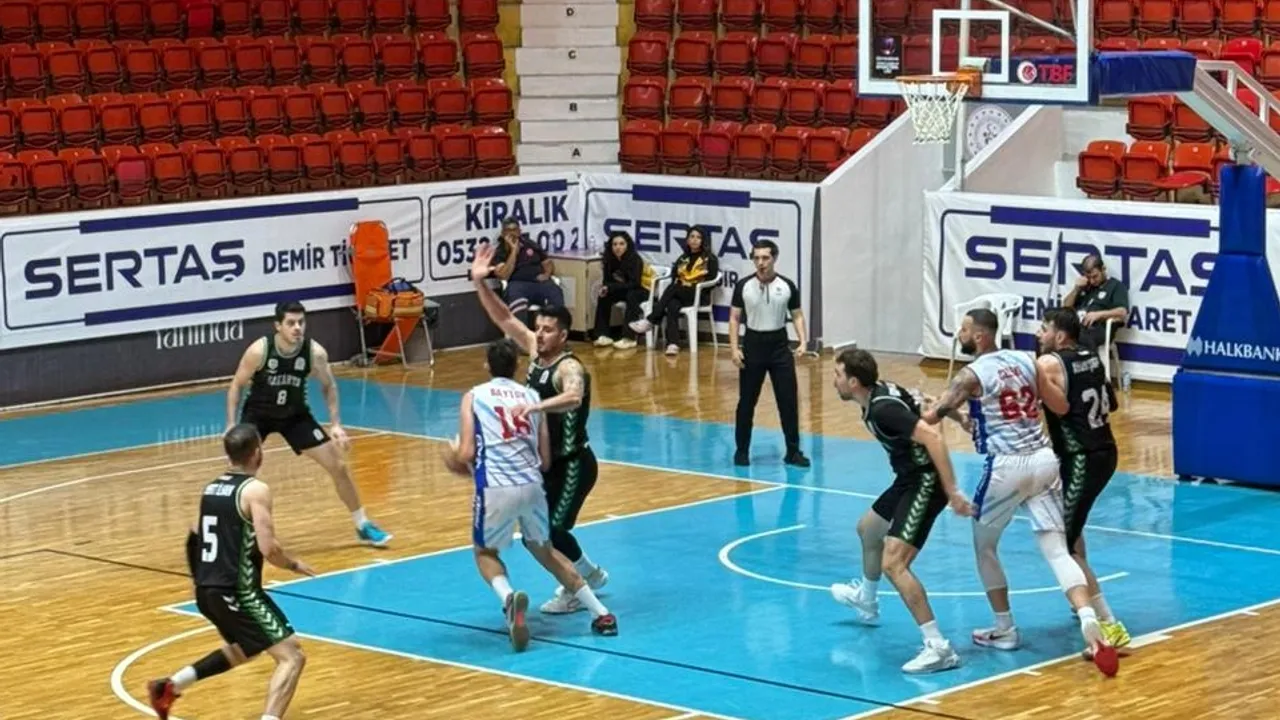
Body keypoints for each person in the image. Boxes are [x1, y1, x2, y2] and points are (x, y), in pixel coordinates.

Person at [923, 308, 1117, 673]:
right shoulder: (1029, 360)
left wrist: (925, 407)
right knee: (1058, 550)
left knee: (985, 547)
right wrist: (978, 417)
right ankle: (1090, 619)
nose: (959, 335)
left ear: (980, 336)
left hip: (1006, 466)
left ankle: (1005, 629)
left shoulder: (971, 374)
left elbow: (933, 415)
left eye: (963, 329)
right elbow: (1060, 405)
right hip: (1044, 460)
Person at [442, 338, 618, 647]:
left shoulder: (474, 396)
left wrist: (452, 457)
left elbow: (467, 452)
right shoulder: (532, 397)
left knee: (485, 552)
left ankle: (509, 598)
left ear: (487, 365)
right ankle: (601, 613)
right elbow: (545, 459)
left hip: (496, 486)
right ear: (517, 366)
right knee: (547, 551)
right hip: (533, 486)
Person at [470, 243, 610, 615]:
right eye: (539, 328)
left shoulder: (569, 367)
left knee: (553, 531)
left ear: (563, 335)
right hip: (545, 464)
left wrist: (535, 405)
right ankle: (591, 575)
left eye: (548, 330)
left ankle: (578, 588)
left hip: (574, 463)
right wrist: (479, 283)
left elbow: (574, 397)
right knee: (541, 533)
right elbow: (504, 319)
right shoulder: (534, 350)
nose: (541, 334)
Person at [147, 424, 314, 720]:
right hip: (238, 592)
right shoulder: (255, 490)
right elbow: (269, 548)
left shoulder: (211, 488)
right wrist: (292, 564)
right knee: (292, 656)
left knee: (246, 647)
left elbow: (193, 536)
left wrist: (202, 580)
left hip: (207, 590)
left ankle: (170, 687)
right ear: (257, 453)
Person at [828, 348, 973, 674]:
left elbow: (932, 437)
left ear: (854, 382)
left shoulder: (884, 410)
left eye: (837, 375)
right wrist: (959, 416)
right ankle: (867, 600)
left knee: (894, 564)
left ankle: (939, 647)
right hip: (908, 478)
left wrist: (953, 492)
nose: (834, 381)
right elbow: (924, 404)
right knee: (868, 529)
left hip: (926, 483)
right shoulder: (884, 390)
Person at [227, 301, 391, 546]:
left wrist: (336, 424)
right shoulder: (259, 351)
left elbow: (329, 386)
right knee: (242, 472)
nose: (297, 328)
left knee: (338, 466)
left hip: (295, 415)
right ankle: (234, 530)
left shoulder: (315, 353)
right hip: (258, 415)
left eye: (301, 322)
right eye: (291, 323)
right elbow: (236, 385)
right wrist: (231, 424)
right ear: (278, 326)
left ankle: (362, 524)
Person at [1035, 309, 1131, 654]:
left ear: (1060, 336)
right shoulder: (1092, 356)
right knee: (1073, 532)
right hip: (1105, 449)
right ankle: (1081, 599)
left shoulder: (1049, 364)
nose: (1039, 334)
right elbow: (1113, 405)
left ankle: (1108, 624)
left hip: (1081, 458)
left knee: (1063, 543)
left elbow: (1052, 406)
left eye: (1044, 329)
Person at [729, 239, 809, 468]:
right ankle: (741, 451)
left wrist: (803, 341)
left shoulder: (787, 285)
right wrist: (734, 348)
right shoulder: (743, 285)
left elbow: (797, 315)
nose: (761, 262)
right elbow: (734, 318)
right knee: (746, 402)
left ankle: (793, 451)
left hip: (779, 347)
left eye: (765, 258)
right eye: (756, 258)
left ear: (774, 258)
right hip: (753, 345)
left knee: (788, 401)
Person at [629, 226, 719, 355]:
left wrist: (691, 286)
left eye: (698, 237)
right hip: (681, 293)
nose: (694, 240)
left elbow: (711, 281)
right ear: (687, 240)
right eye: (692, 237)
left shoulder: (710, 259)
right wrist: (682, 286)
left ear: (703, 241)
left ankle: (650, 320)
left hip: (699, 295)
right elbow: (674, 276)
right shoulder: (683, 258)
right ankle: (673, 344)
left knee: (673, 288)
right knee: (672, 304)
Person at [491, 218, 564, 322]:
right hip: (517, 285)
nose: (512, 233)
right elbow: (504, 275)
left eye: (514, 230)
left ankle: (555, 329)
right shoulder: (500, 251)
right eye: (508, 230)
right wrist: (513, 251)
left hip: (539, 282)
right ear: (503, 234)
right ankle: (520, 332)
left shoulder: (530, 244)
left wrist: (546, 275)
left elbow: (547, 262)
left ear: (519, 231)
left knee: (555, 292)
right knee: (516, 302)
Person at [593, 231, 648, 350]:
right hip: (622, 290)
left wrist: (612, 287)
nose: (618, 247)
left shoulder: (635, 259)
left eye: (621, 244)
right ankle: (602, 334)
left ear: (627, 245)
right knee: (604, 296)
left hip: (641, 290)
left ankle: (629, 337)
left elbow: (635, 283)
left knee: (632, 295)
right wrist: (605, 288)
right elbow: (607, 281)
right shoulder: (608, 260)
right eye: (615, 244)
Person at [1062, 255, 1129, 353]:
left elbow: (1122, 312)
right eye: (1088, 277)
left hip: (1098, 328)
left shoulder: (1115, 286)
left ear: (1103, 269)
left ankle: (1087, 362)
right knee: (1051, 333)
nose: (1092, 281)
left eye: (1095, 276)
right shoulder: (1084, 286)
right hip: (1077, 325)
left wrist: (1098, 315)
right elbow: (1065, 307)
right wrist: (1076, 289)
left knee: (1081, 336)